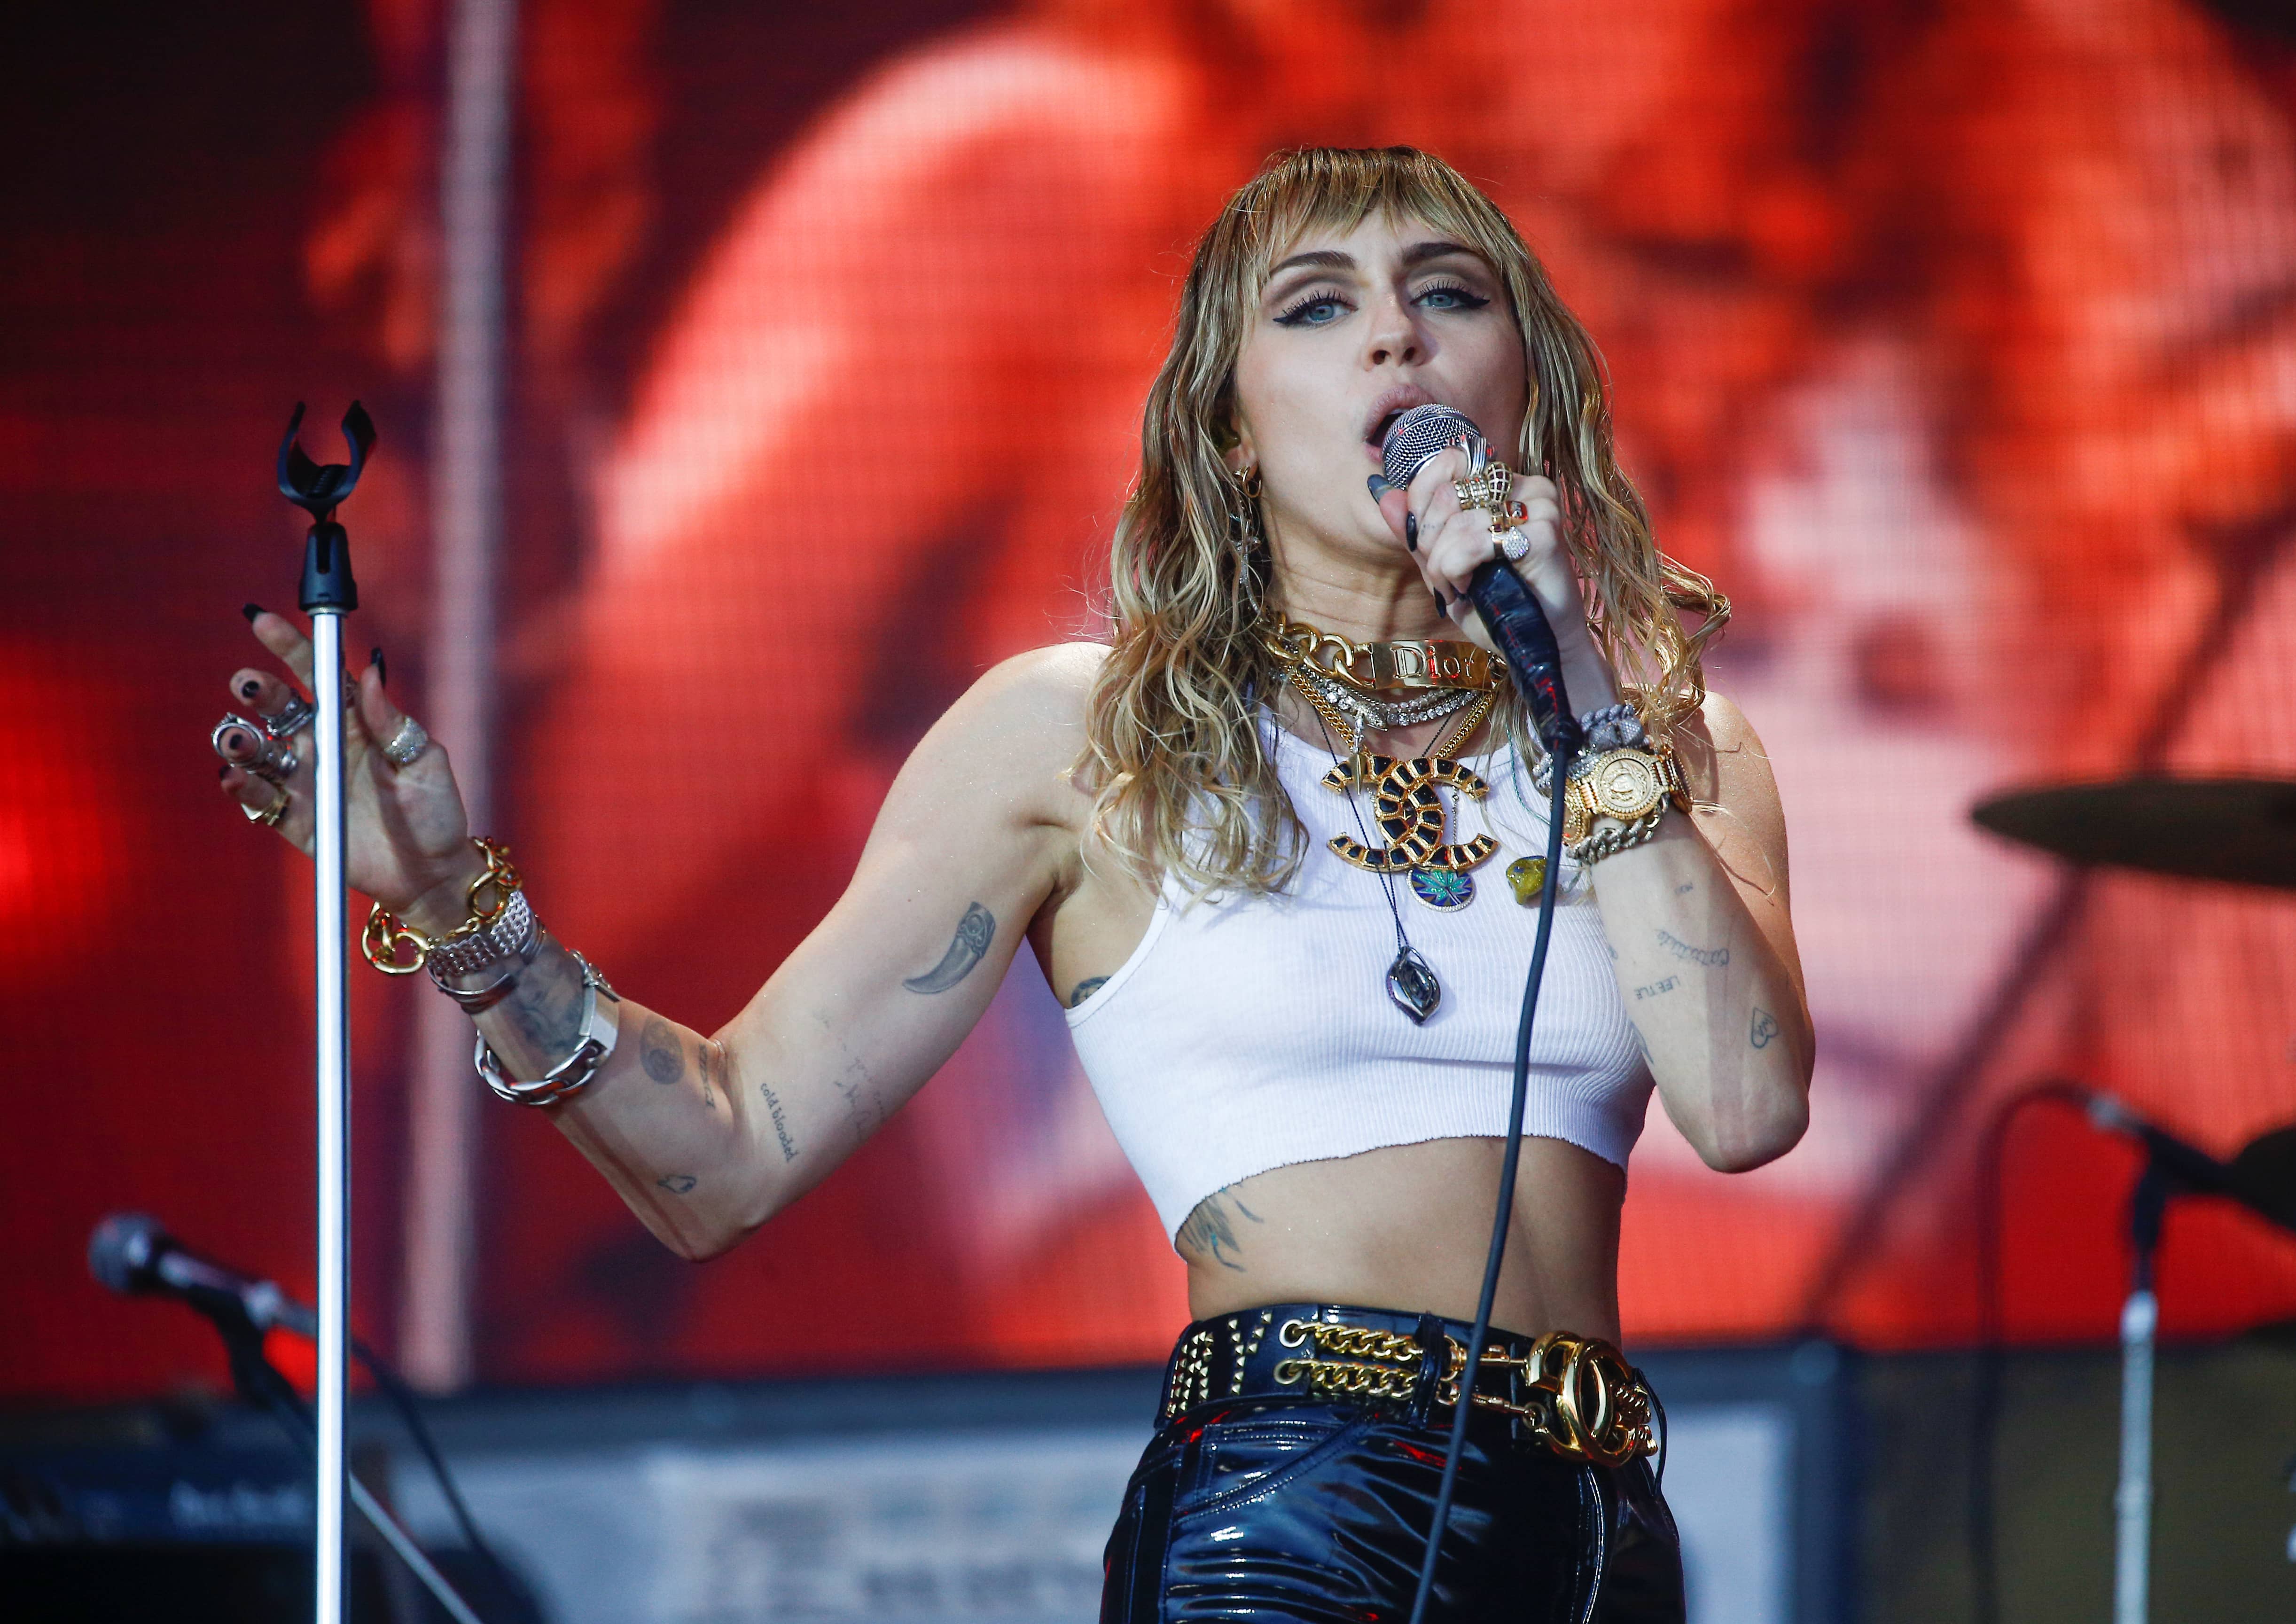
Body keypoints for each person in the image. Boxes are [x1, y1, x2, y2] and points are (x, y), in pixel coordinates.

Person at [212, 147, 1812, 1622]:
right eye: (1319, 307)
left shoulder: (1675, 748)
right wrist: (454, 907)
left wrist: (1587, 696)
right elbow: (720, 1155)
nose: (1396, 338)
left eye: (1447, 295)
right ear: (1231, 425)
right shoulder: (1080, 739)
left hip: (1611, 1529)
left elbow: (1743, 1112)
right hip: (1302, 1516)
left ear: (1521, 388)